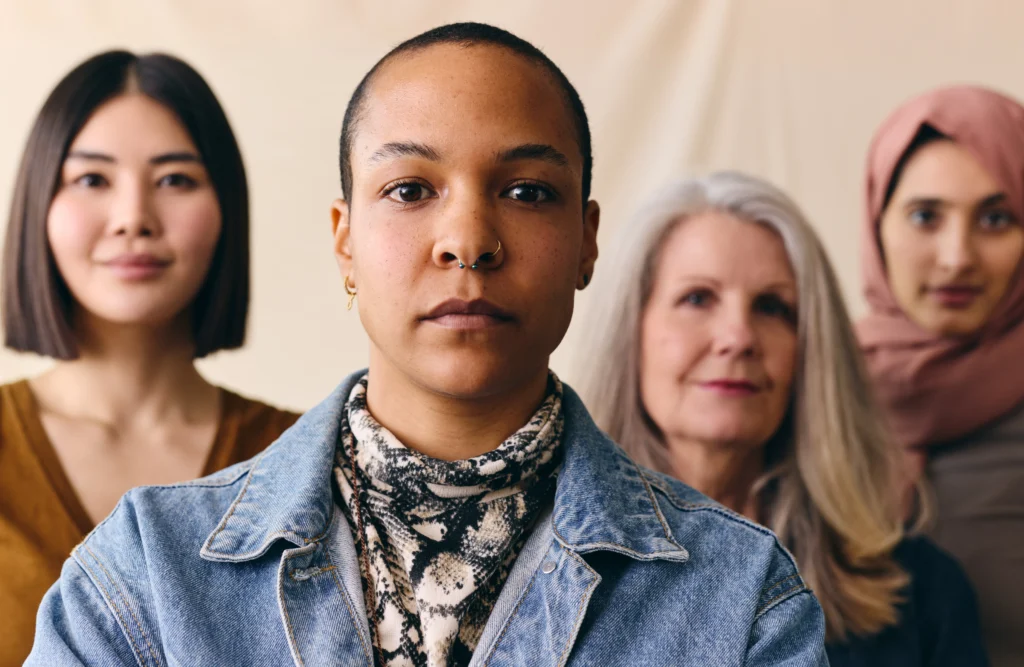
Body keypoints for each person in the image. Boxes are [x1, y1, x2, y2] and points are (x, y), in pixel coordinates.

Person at [27, 24, 826, 666]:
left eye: (526, 192)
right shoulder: (148, 575)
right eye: (409, 190)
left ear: (587, 242)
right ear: (344, 241)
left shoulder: (739, 591)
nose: (467, 241)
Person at [577, 171, 987, 666]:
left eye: (772, 307)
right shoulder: (548, 568)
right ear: (631, 333)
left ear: (812, 352)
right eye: (697, 298)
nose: (738, 336)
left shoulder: (922, 592)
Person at [0, 51, 299, 664]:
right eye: (92, 180)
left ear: (226, 210)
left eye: (175, 180)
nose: (134, 218)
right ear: (38, 206)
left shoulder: (301, 459)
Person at [858, 84, 1024, 667]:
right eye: (926, 216)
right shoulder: (810, 387)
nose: (957, 257)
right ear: (878, 224)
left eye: (997, 219)